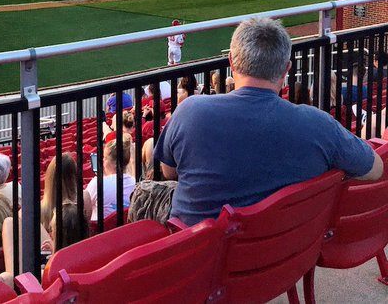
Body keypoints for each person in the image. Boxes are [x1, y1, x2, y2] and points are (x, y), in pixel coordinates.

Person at [154, 17, 383, 226]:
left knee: (147, 192)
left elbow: (168, 171)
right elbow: (375, 168)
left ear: (231, 62)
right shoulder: (320, 124)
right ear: (286, 69)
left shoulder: (190, 111)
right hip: (288, 250)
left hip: (201, 252)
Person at [82, 135, 135, 223]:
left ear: (115, 163)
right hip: (126, 228)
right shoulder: (134, 183)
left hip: (100, 230)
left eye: (105, 158)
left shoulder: (98, 183)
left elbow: (82, 209)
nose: (102, 161)